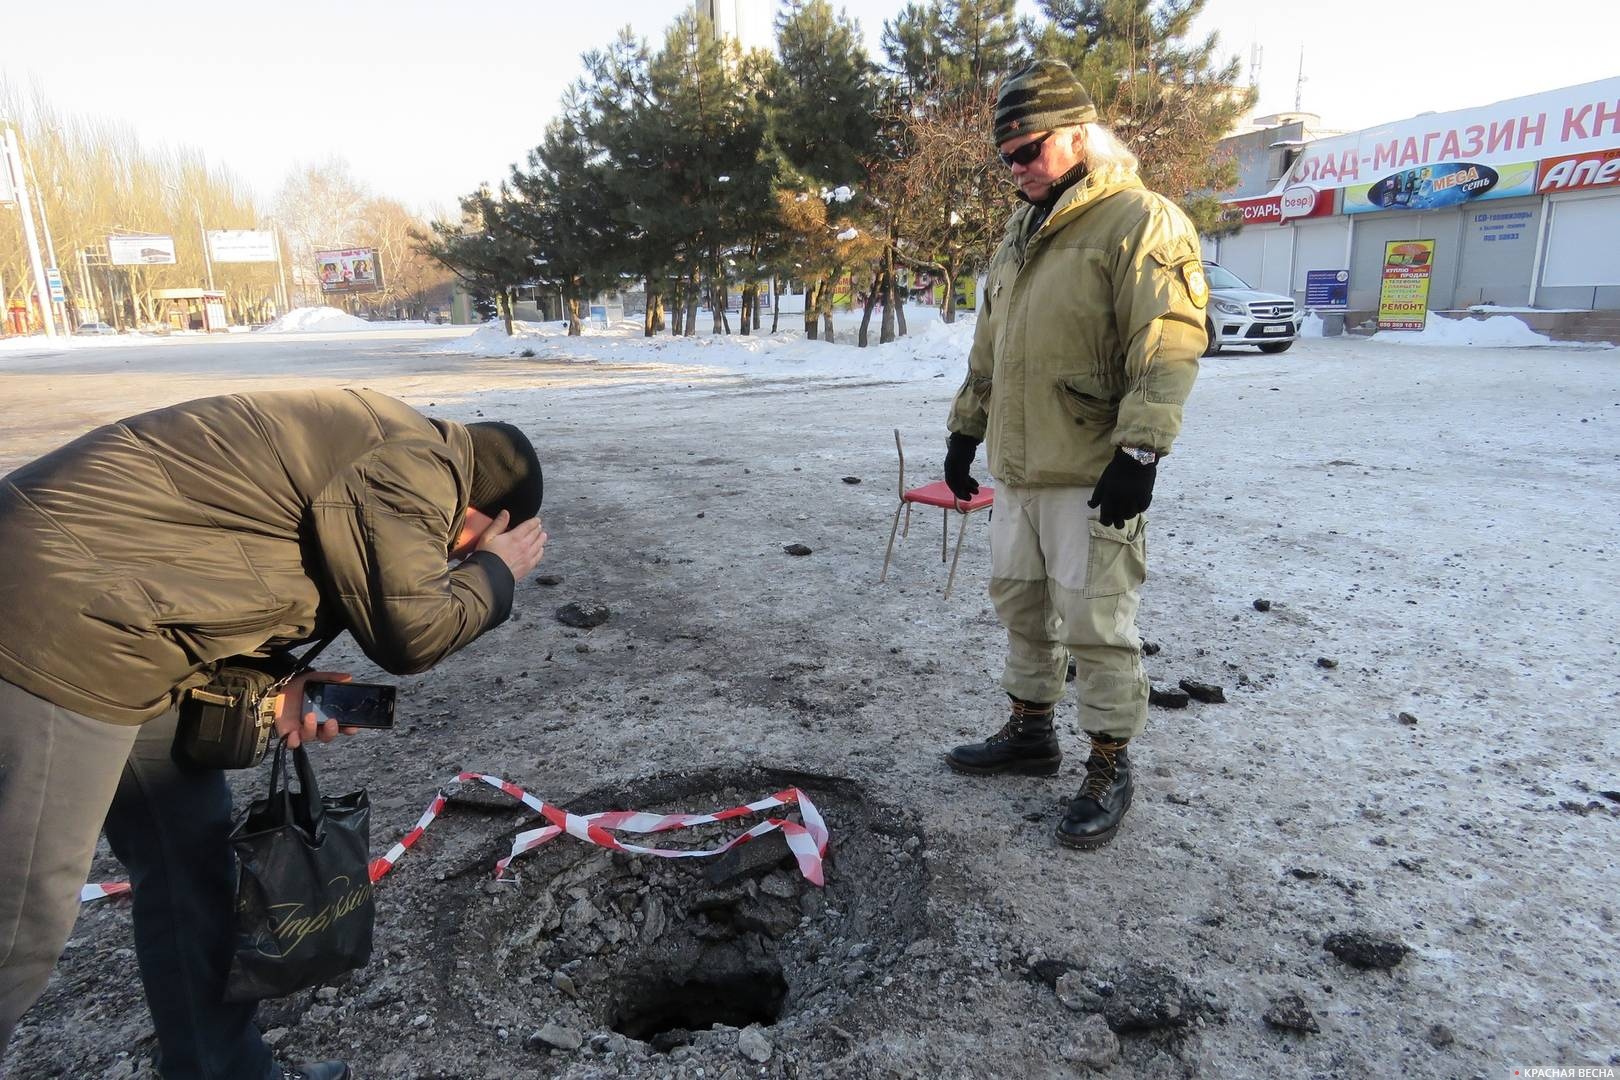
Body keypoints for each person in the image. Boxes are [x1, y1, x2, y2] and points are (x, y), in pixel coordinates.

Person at [0, 389, 547, 1079]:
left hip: (129, 627)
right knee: (20, 917)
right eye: (472, 546)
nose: (452, 560)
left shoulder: (387, 449)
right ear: (486, 515)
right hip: (56, 622)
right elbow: (414, 630)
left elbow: (231, 566)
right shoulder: (419, 463)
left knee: (191, 862)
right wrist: (496, 573)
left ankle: (222, 1072)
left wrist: (279, 684)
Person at [941, 59, 1207, 850]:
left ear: (1081, 136)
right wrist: (966, 429)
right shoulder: (1020, 234)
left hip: (1092, 470)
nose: (1017, 167)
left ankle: (1109, 761)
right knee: (1022, 608)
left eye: (1030, 149)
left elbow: (1169, 343)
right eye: (1007, 157)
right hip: (1021, 470)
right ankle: (1030, 733)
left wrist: (1142, 452)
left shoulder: (1139, 221)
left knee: (1096, 626)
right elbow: (992, 347)